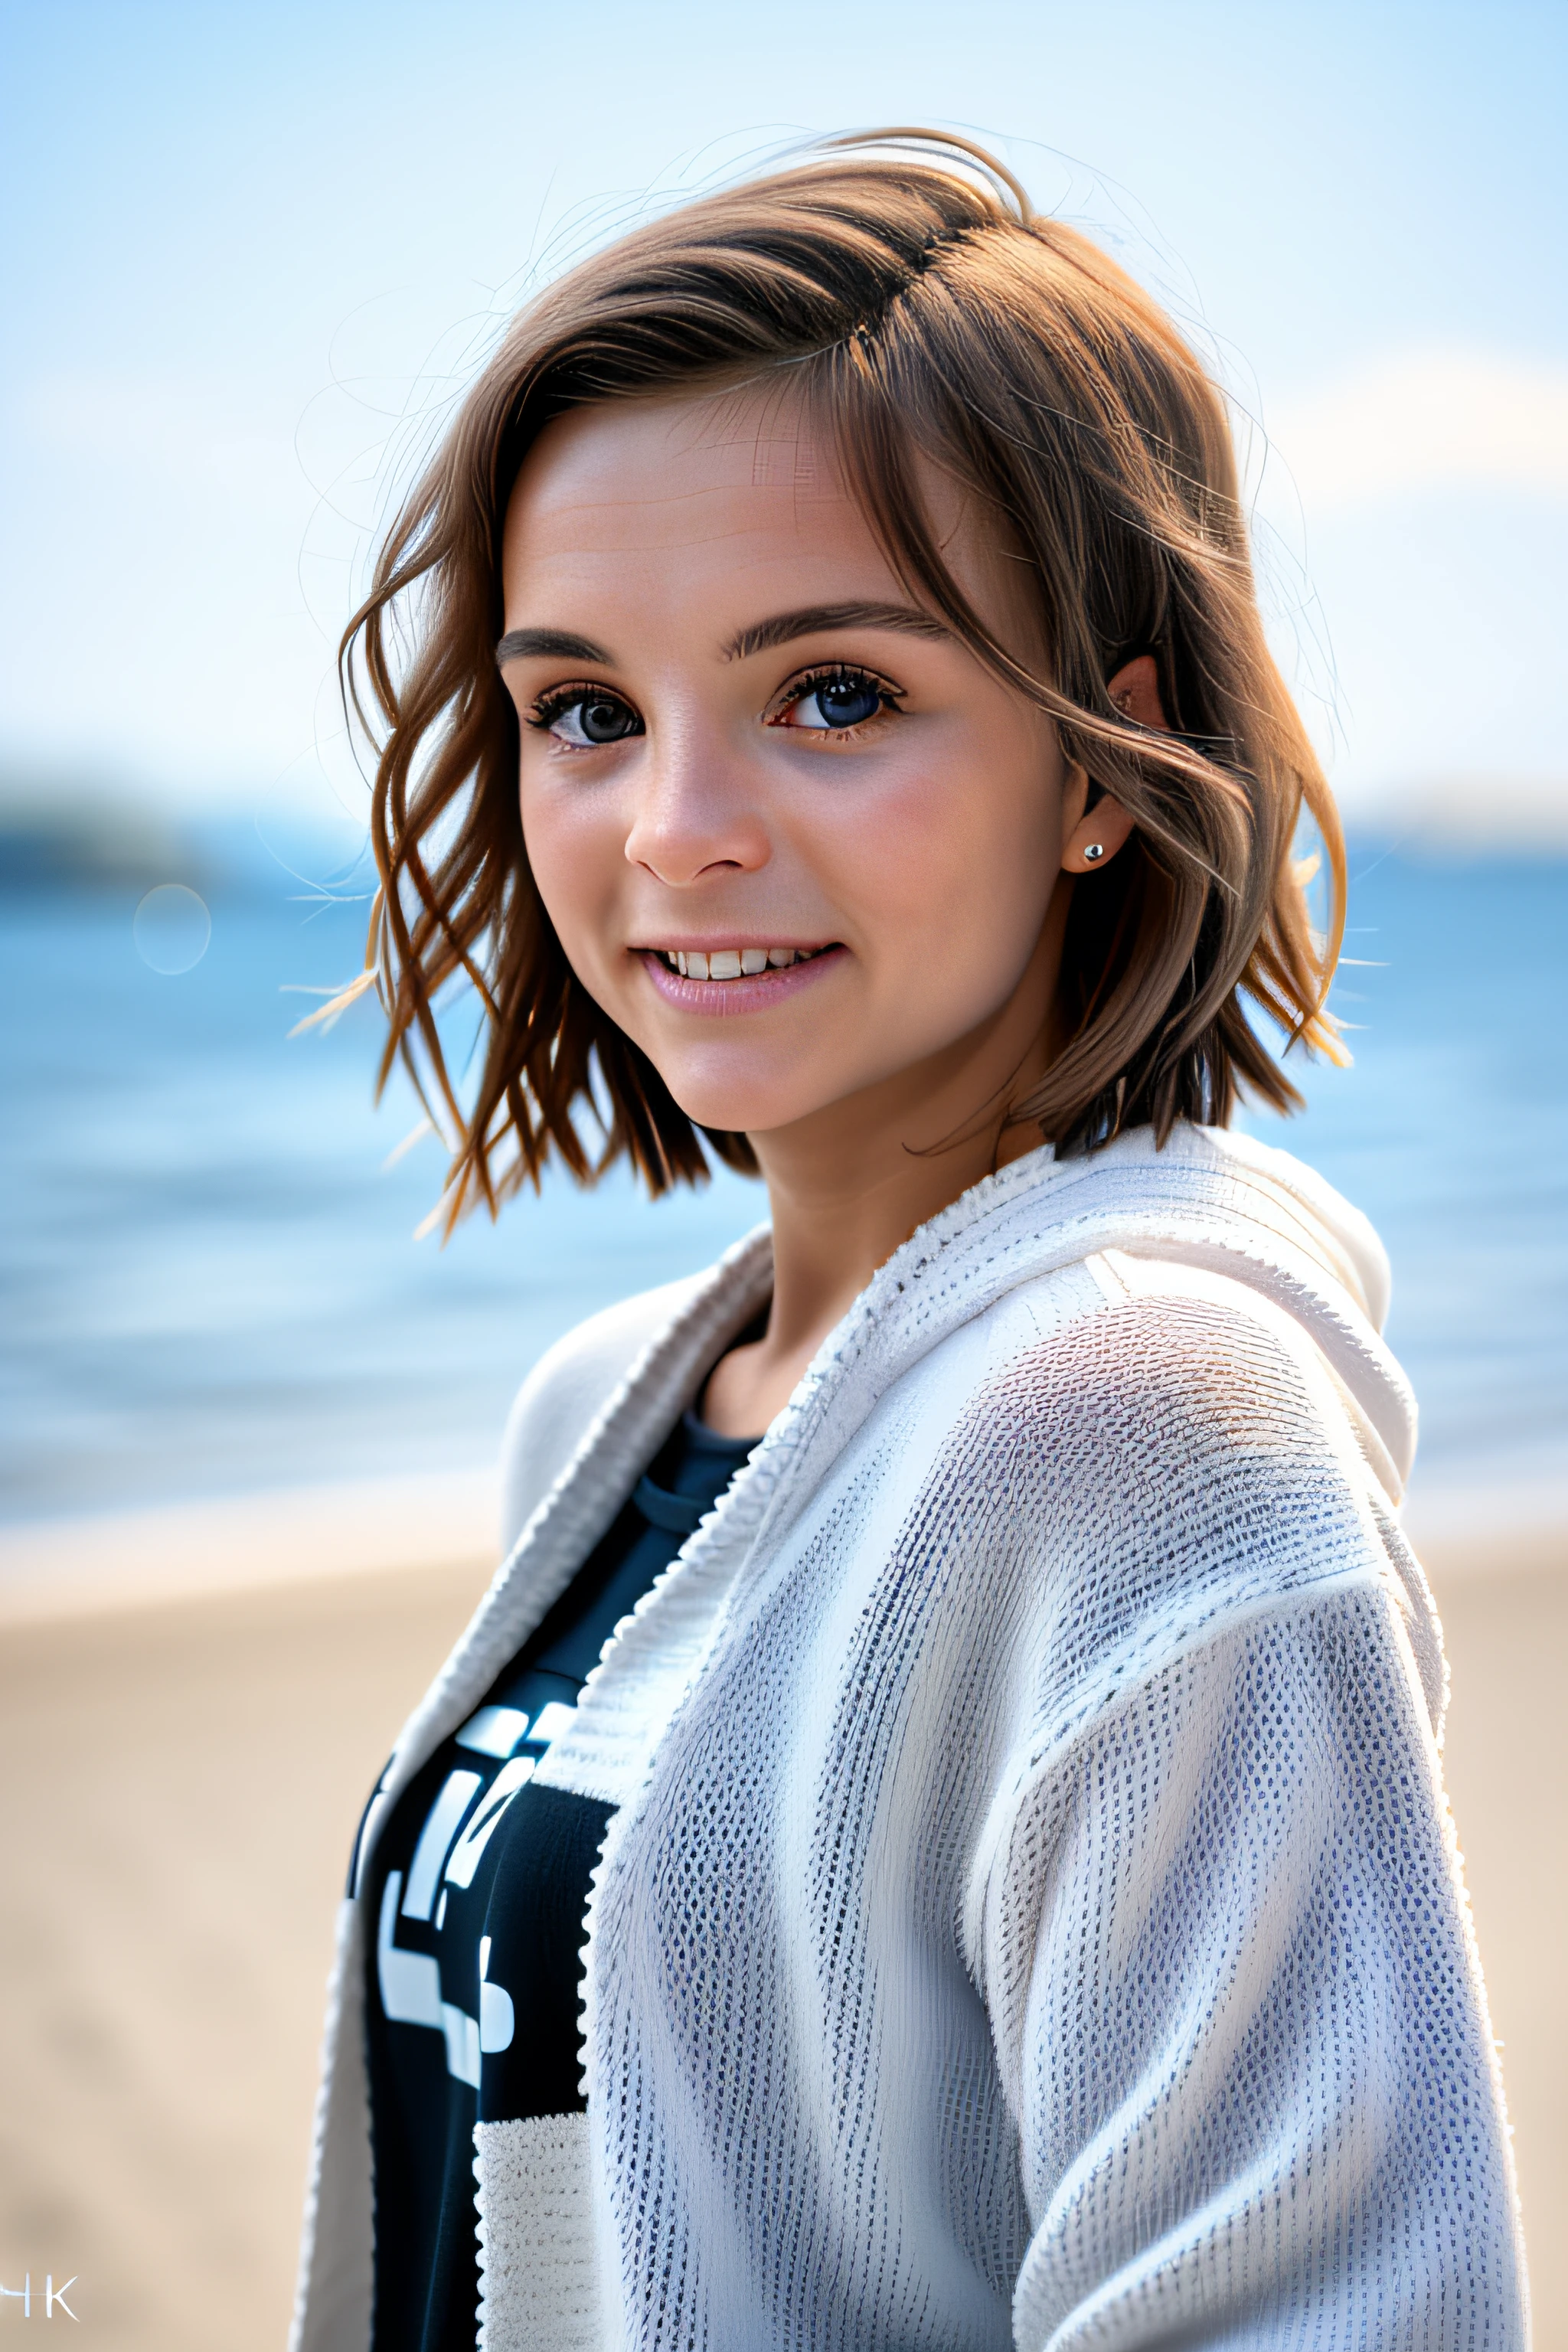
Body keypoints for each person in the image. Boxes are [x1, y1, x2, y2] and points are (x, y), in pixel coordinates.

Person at [290, 132, 1527, 2351]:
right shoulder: (613, 1411)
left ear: (1100, 773)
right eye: (586, 709)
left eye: (834, 694)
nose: (675, 831)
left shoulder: (1150, 1439)